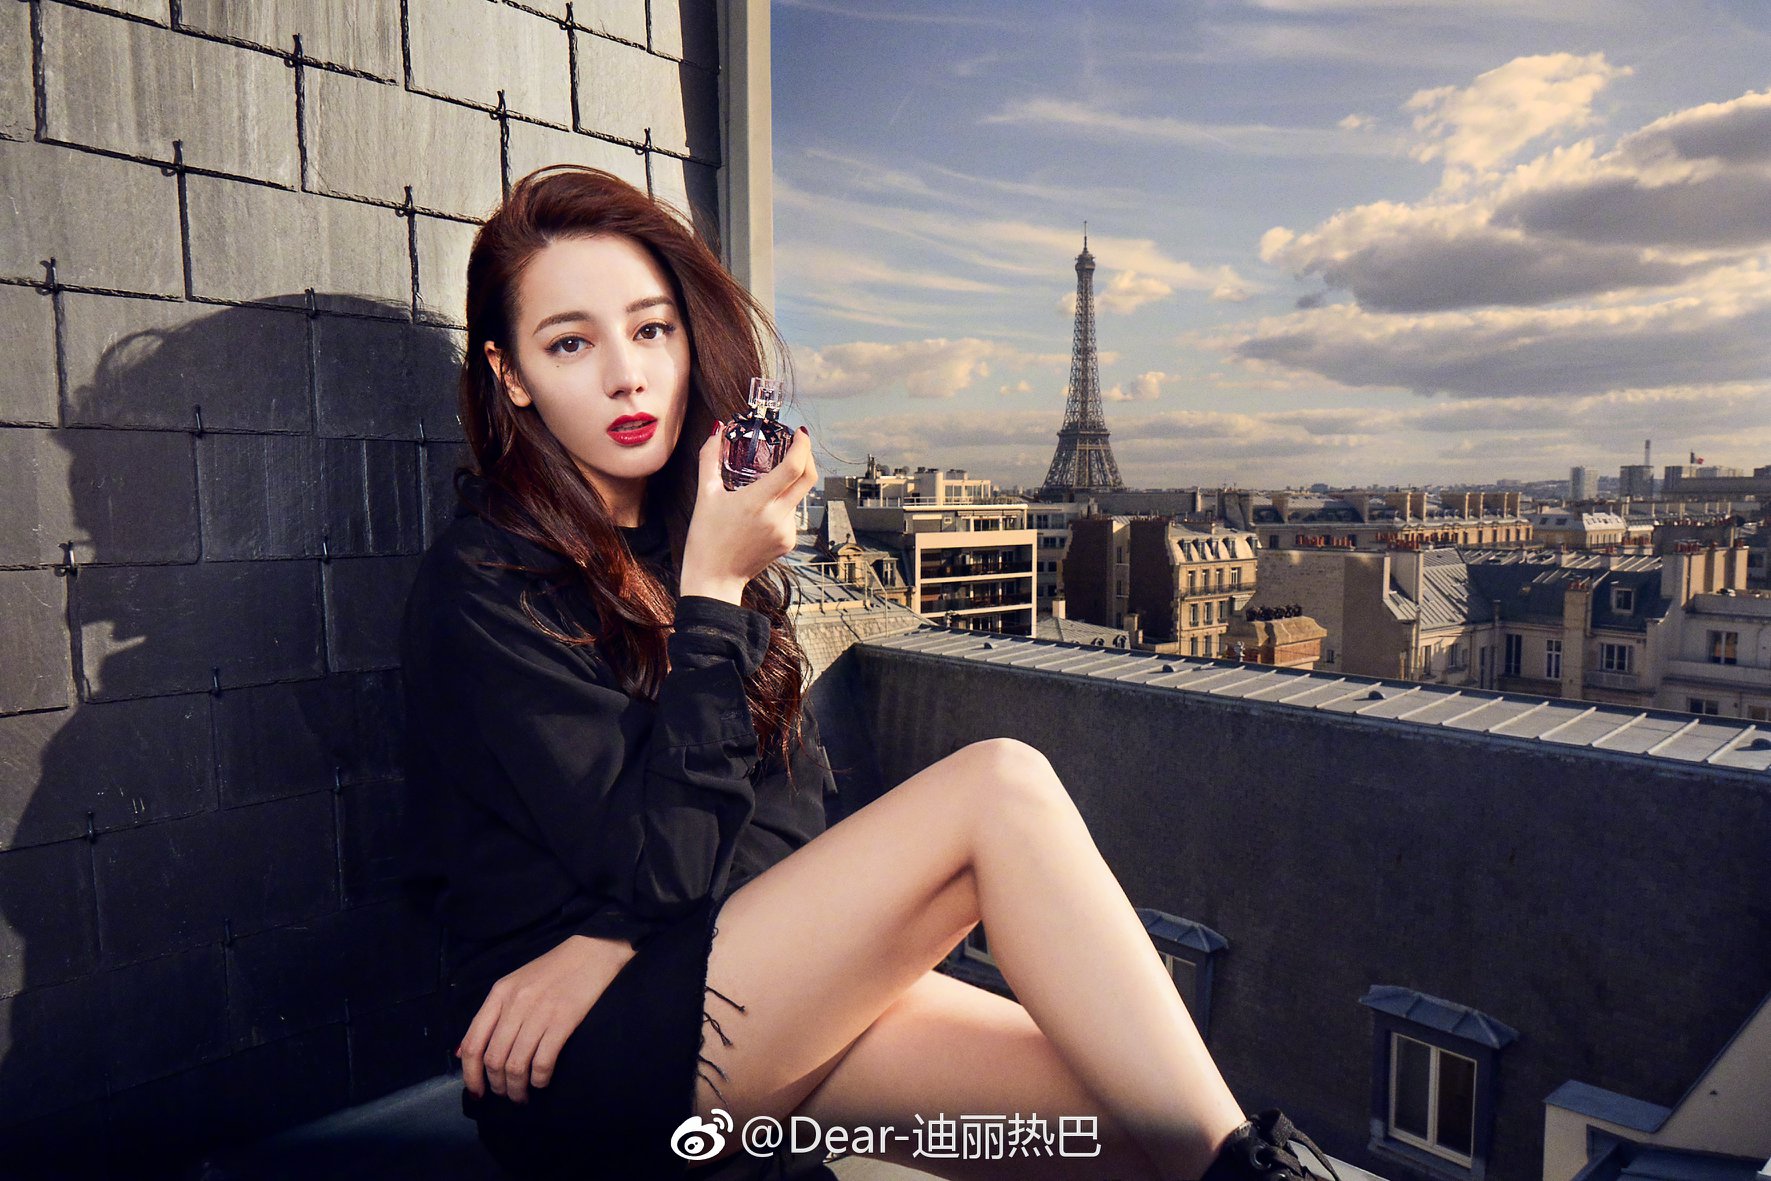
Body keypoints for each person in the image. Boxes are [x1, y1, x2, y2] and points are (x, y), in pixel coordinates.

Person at [400, 165, 1337, 1181]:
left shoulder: (690, 540)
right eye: (571, 343)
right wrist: (713, 588)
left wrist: (611, 936)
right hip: (581, 1064)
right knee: (999, 786)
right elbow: (663, 864)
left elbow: (785, 825)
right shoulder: (486, 580)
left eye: (651, 329)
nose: (626, 375)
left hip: (693, 987)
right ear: (511, 374)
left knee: (1134, 1122)